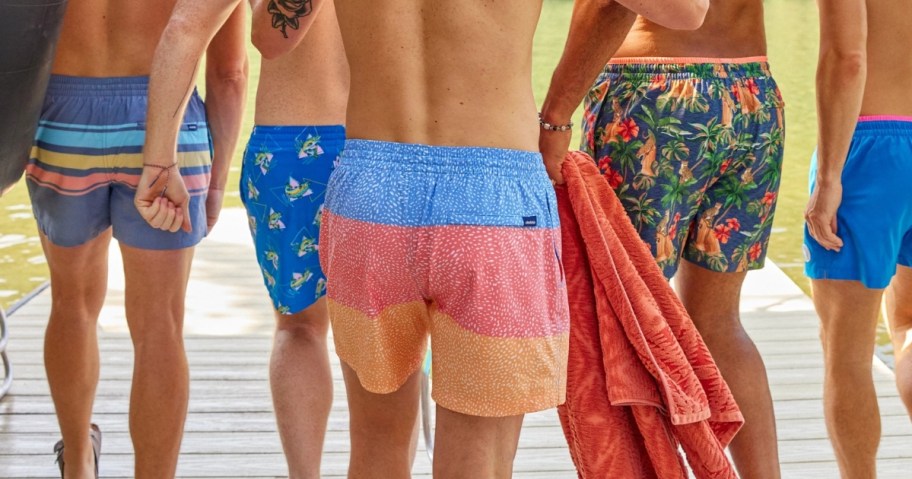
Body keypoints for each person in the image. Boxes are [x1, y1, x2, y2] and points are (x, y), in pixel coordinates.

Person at [316, 0, 707, 478]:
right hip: (492, 199)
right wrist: (558, 116)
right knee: (479, 460)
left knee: (375, 446)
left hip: (371, 190)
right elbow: (685, 10)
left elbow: (272, 34)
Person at [541, 1, 784, 477]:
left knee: (626, 319)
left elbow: (604, 4)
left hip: (653, 97)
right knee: (720, 323)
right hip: (753, 95)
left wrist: (555, 116)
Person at [23, 0, 247, 476]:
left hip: (62, 118)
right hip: (168, 121)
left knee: (71, 303)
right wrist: (218, 179)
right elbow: (229, 72)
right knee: (160, 325)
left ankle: (79, 462)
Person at [804, 0, 912, 476]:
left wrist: (829, 178)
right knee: (907, 324)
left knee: (846, 353)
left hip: (871, 148)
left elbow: (847, 58)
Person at [245, 1, 348, 476]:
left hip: (293, 141)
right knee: (394, 332)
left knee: (300, 327)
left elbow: (266, 40)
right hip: (396, 134)